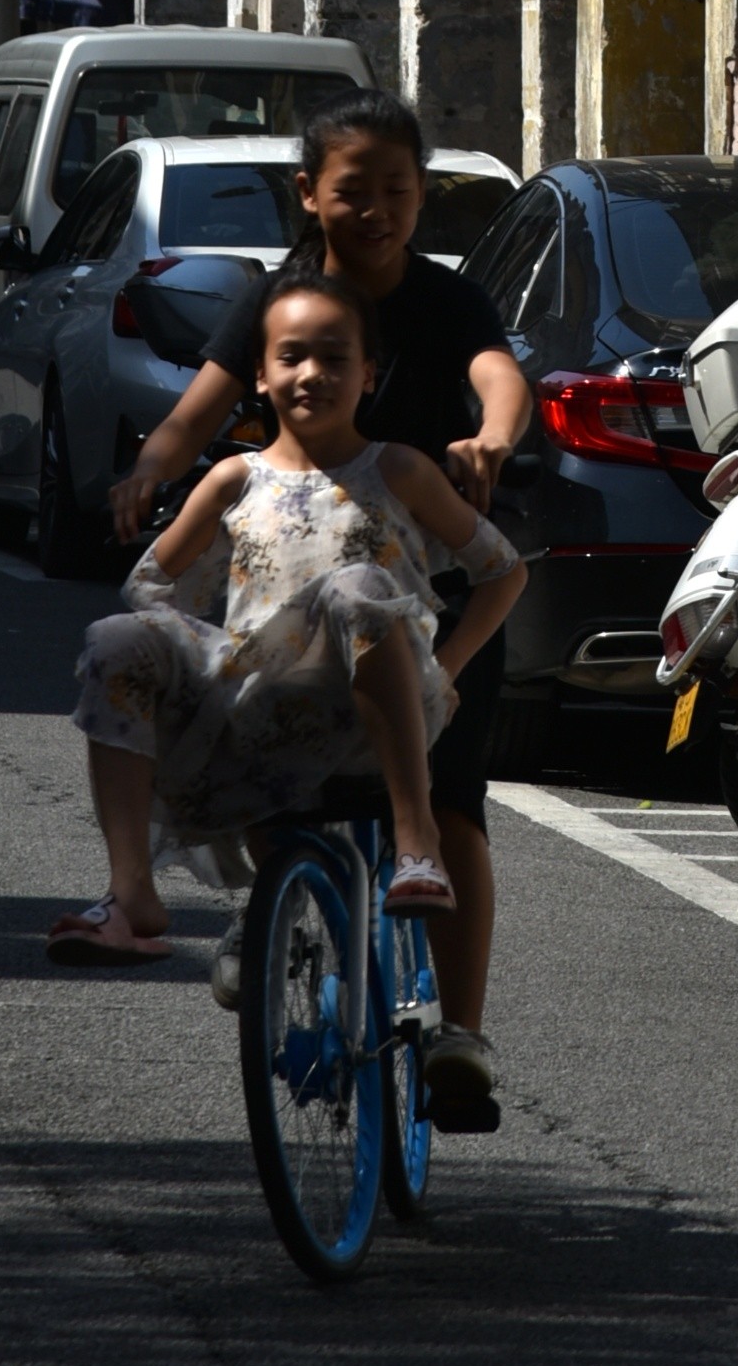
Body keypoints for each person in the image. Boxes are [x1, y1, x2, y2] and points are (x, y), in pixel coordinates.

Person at [108, 91, 531, 1122]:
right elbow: (194, 409)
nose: (378, 208)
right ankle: (270, 900)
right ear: (311, 194)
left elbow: (500, 375)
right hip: (293, 590)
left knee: (456, 807)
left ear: (422, 196)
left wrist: (491, 439)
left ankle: (458, 1038)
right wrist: (149, 470)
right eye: (355, 190)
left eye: (399, 189)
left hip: (433, 590)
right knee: (248, 732)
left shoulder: (446, 297)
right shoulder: (277, 303)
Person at [53, 273, 523, 966]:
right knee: (115, 639)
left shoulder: (398, 469)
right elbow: (153, 585)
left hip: (374, 713)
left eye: (335, 359)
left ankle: (415, 839)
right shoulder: (235, 480)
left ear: (368, 375)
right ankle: (131, 895)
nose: (313, 374)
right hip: (259, 712)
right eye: (292, 357)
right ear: (261, 378)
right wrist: (209, 652)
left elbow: (503, 571)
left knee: (357, 587)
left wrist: (445, 667)